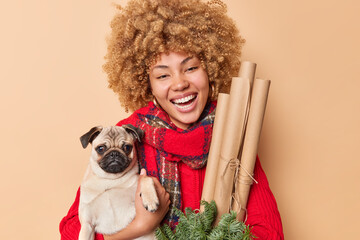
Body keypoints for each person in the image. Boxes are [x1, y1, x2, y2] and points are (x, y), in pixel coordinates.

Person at [59, 0, 284, 239]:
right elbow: (72, 232)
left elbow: (269, 232)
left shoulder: (233, 133)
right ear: (147, 84)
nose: (179, 84)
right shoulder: (129, 138)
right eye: (163, 75)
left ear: (209, 68)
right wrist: (141, 227)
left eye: (190, 68)